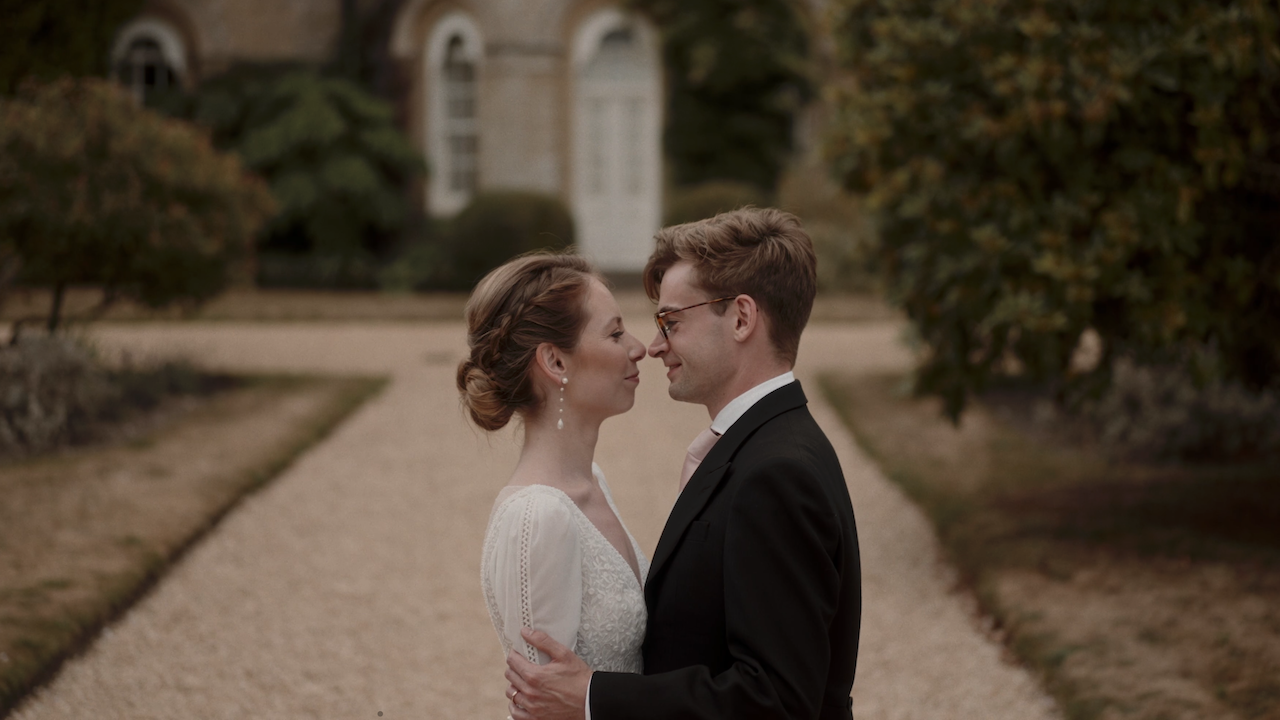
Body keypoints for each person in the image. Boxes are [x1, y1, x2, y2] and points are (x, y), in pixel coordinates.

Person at [504, 207, 862, 720]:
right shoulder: (766, 444)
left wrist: (592, 697)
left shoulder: (776, 474)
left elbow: (777, 701)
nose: (653, 347)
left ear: (741, 318)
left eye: (671, 322)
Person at [458, 254, 650, 683]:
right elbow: (544, 706)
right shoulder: (538, 517)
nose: (639, 347)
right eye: (616, 333)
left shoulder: (593, 482)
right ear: (556, 362)